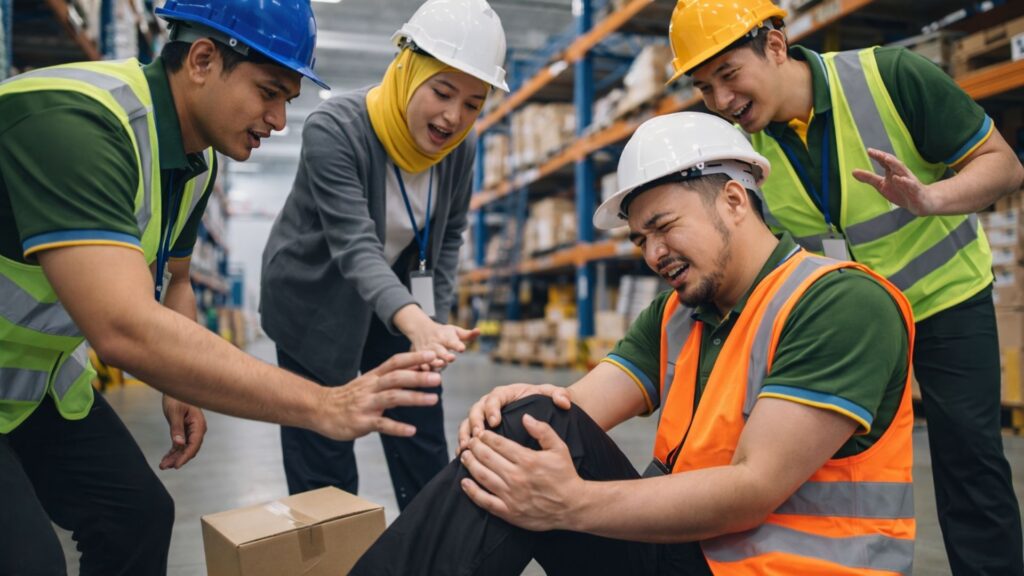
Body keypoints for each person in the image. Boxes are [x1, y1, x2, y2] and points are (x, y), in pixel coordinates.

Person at [350, 111, 917, 575]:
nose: (652, 254)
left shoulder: (839, 304)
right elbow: (572, 414)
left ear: (734, 201)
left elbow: (754, 487)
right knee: (528, 426)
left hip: (782, 567)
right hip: (694, 549)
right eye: (641, 238)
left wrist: (571, 504)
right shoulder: (680, 311)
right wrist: (519, 404)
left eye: (665, 226)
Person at [0, 1, 444, 574]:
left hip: (33, 384)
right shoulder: (77, 121)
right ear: (204, 60)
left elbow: (177, 279)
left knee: (136, 517)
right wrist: (323, 405)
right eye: (269, 92)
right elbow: (122, 329)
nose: (281, 120)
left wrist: (179, 381)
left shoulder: (196, 162)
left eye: (289, 99)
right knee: (27, 560)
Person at [667, 1, 1024, 573]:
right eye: (705, 88)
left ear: (776, 46)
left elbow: (1003, 166)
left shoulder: (890, 78)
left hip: (945, 300)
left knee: (970, 465)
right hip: (853, 324)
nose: (722, 101)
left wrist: (931, 199)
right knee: (824, 471)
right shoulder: (740, 153)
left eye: (730, 75)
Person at [260, 0, 509, 508]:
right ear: (407, 68)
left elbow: (448, 236)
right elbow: (355, 245)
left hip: (396, 298)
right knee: (325, 457)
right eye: (441, 91)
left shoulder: (459, 149)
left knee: (420, 441)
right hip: (314, 300)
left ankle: (429, 553)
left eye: (472, 103)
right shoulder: (336, 128)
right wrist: (417, 322)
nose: (452, 117)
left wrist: (432, 323)